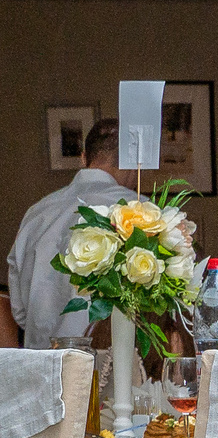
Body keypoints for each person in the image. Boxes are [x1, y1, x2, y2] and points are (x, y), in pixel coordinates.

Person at [7, 118, 136, 349]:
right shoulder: (139, 212)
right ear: (133, 162)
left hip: (44, 364)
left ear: (84, 157)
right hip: (113, 369)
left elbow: (19, 311)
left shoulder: (36, 213)